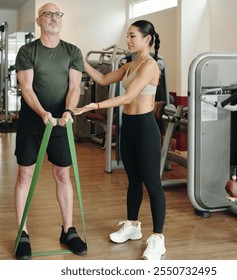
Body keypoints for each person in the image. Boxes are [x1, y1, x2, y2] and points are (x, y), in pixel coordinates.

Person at [74, 20, 166, 260]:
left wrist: (95, 105)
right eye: (127, 36)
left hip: (146, 128)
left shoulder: (150, 65)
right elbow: (103, 80)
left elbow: (129, 97)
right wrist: (79, 61)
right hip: (130, 127)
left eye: (132, 36)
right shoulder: (130, 65)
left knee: (152, 184)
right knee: (133, 180)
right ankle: (133, 226)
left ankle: (157, 239)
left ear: (147, 39)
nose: (128, 40)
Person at [13, 2, 87, 260]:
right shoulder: (27, 51)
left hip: (61, 124)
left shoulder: (73, 51)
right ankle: (23, 232)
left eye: (57, 14)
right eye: (48, 14)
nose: (54, 18)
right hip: (33, 124)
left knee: (63, 176)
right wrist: (43, 113)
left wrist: (67, 111)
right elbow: (27, 88)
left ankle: (68, 230)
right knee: (25, 176)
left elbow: (75, 87)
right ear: (39, 21)